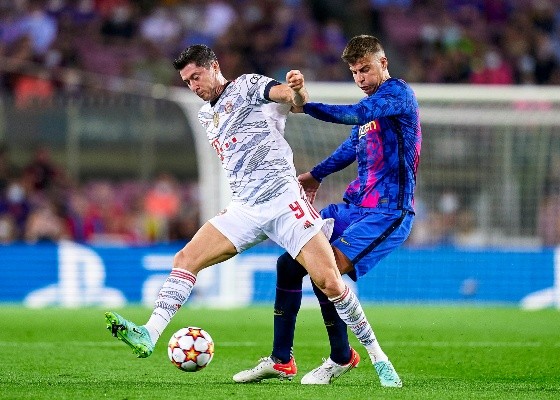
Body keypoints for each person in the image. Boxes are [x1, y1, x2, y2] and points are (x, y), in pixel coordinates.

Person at [104, 44, 401, 387]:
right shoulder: (205, 115)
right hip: (245, 208)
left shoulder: (246, 86)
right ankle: (149, 333)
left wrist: (298, 89)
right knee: (185, 258)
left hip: (285, 203)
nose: (193, 86)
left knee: (330, 281)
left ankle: (378, 357)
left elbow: (286, 94)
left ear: (214, 67)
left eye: (196, 76)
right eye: (187, 81)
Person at [233, 35, 420, 386]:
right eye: (354, 72)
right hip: (354, 207)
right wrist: (315, 174)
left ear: (383, 63)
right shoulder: (374, 110)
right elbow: (352, 145)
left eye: (366, 69)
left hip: (386, 212)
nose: (361, 78)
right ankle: (280, 359)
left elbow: (354, 115)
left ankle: (340, 358)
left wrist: (307, 106)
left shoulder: (397, 95)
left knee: (325, 269)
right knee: (289, 264)